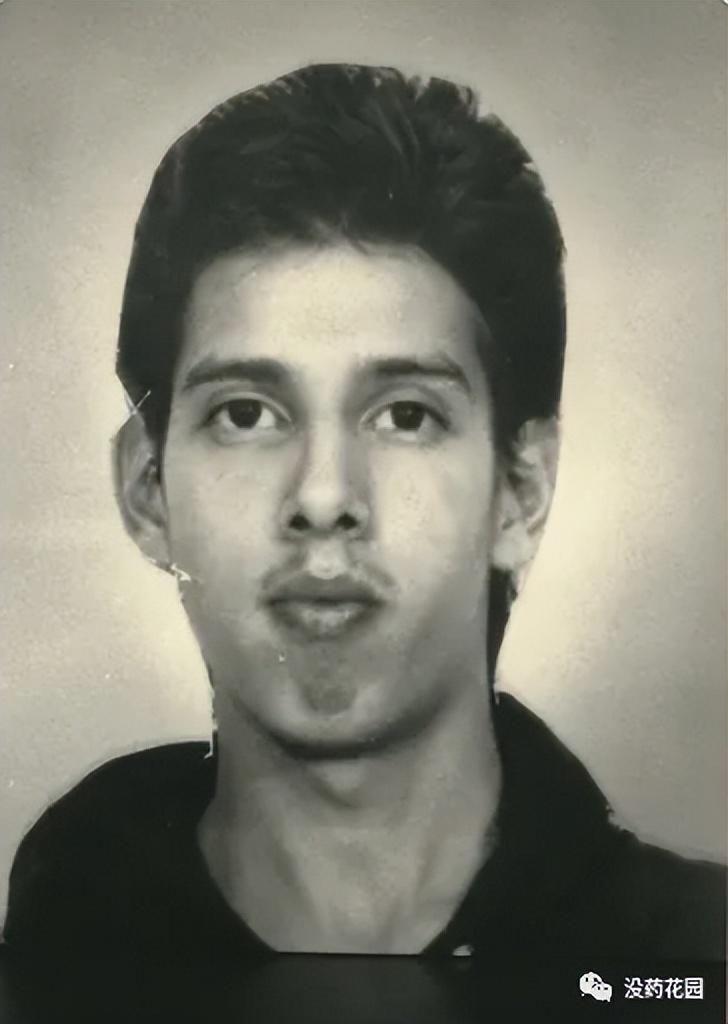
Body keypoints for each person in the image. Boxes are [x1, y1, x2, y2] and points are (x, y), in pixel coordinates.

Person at [2, 63, 725, 966]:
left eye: (406, 416)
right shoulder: (56, 961)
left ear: (521, 491)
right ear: (148, 486)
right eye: (246, 414)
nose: (323, 497)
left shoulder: (692, 964)